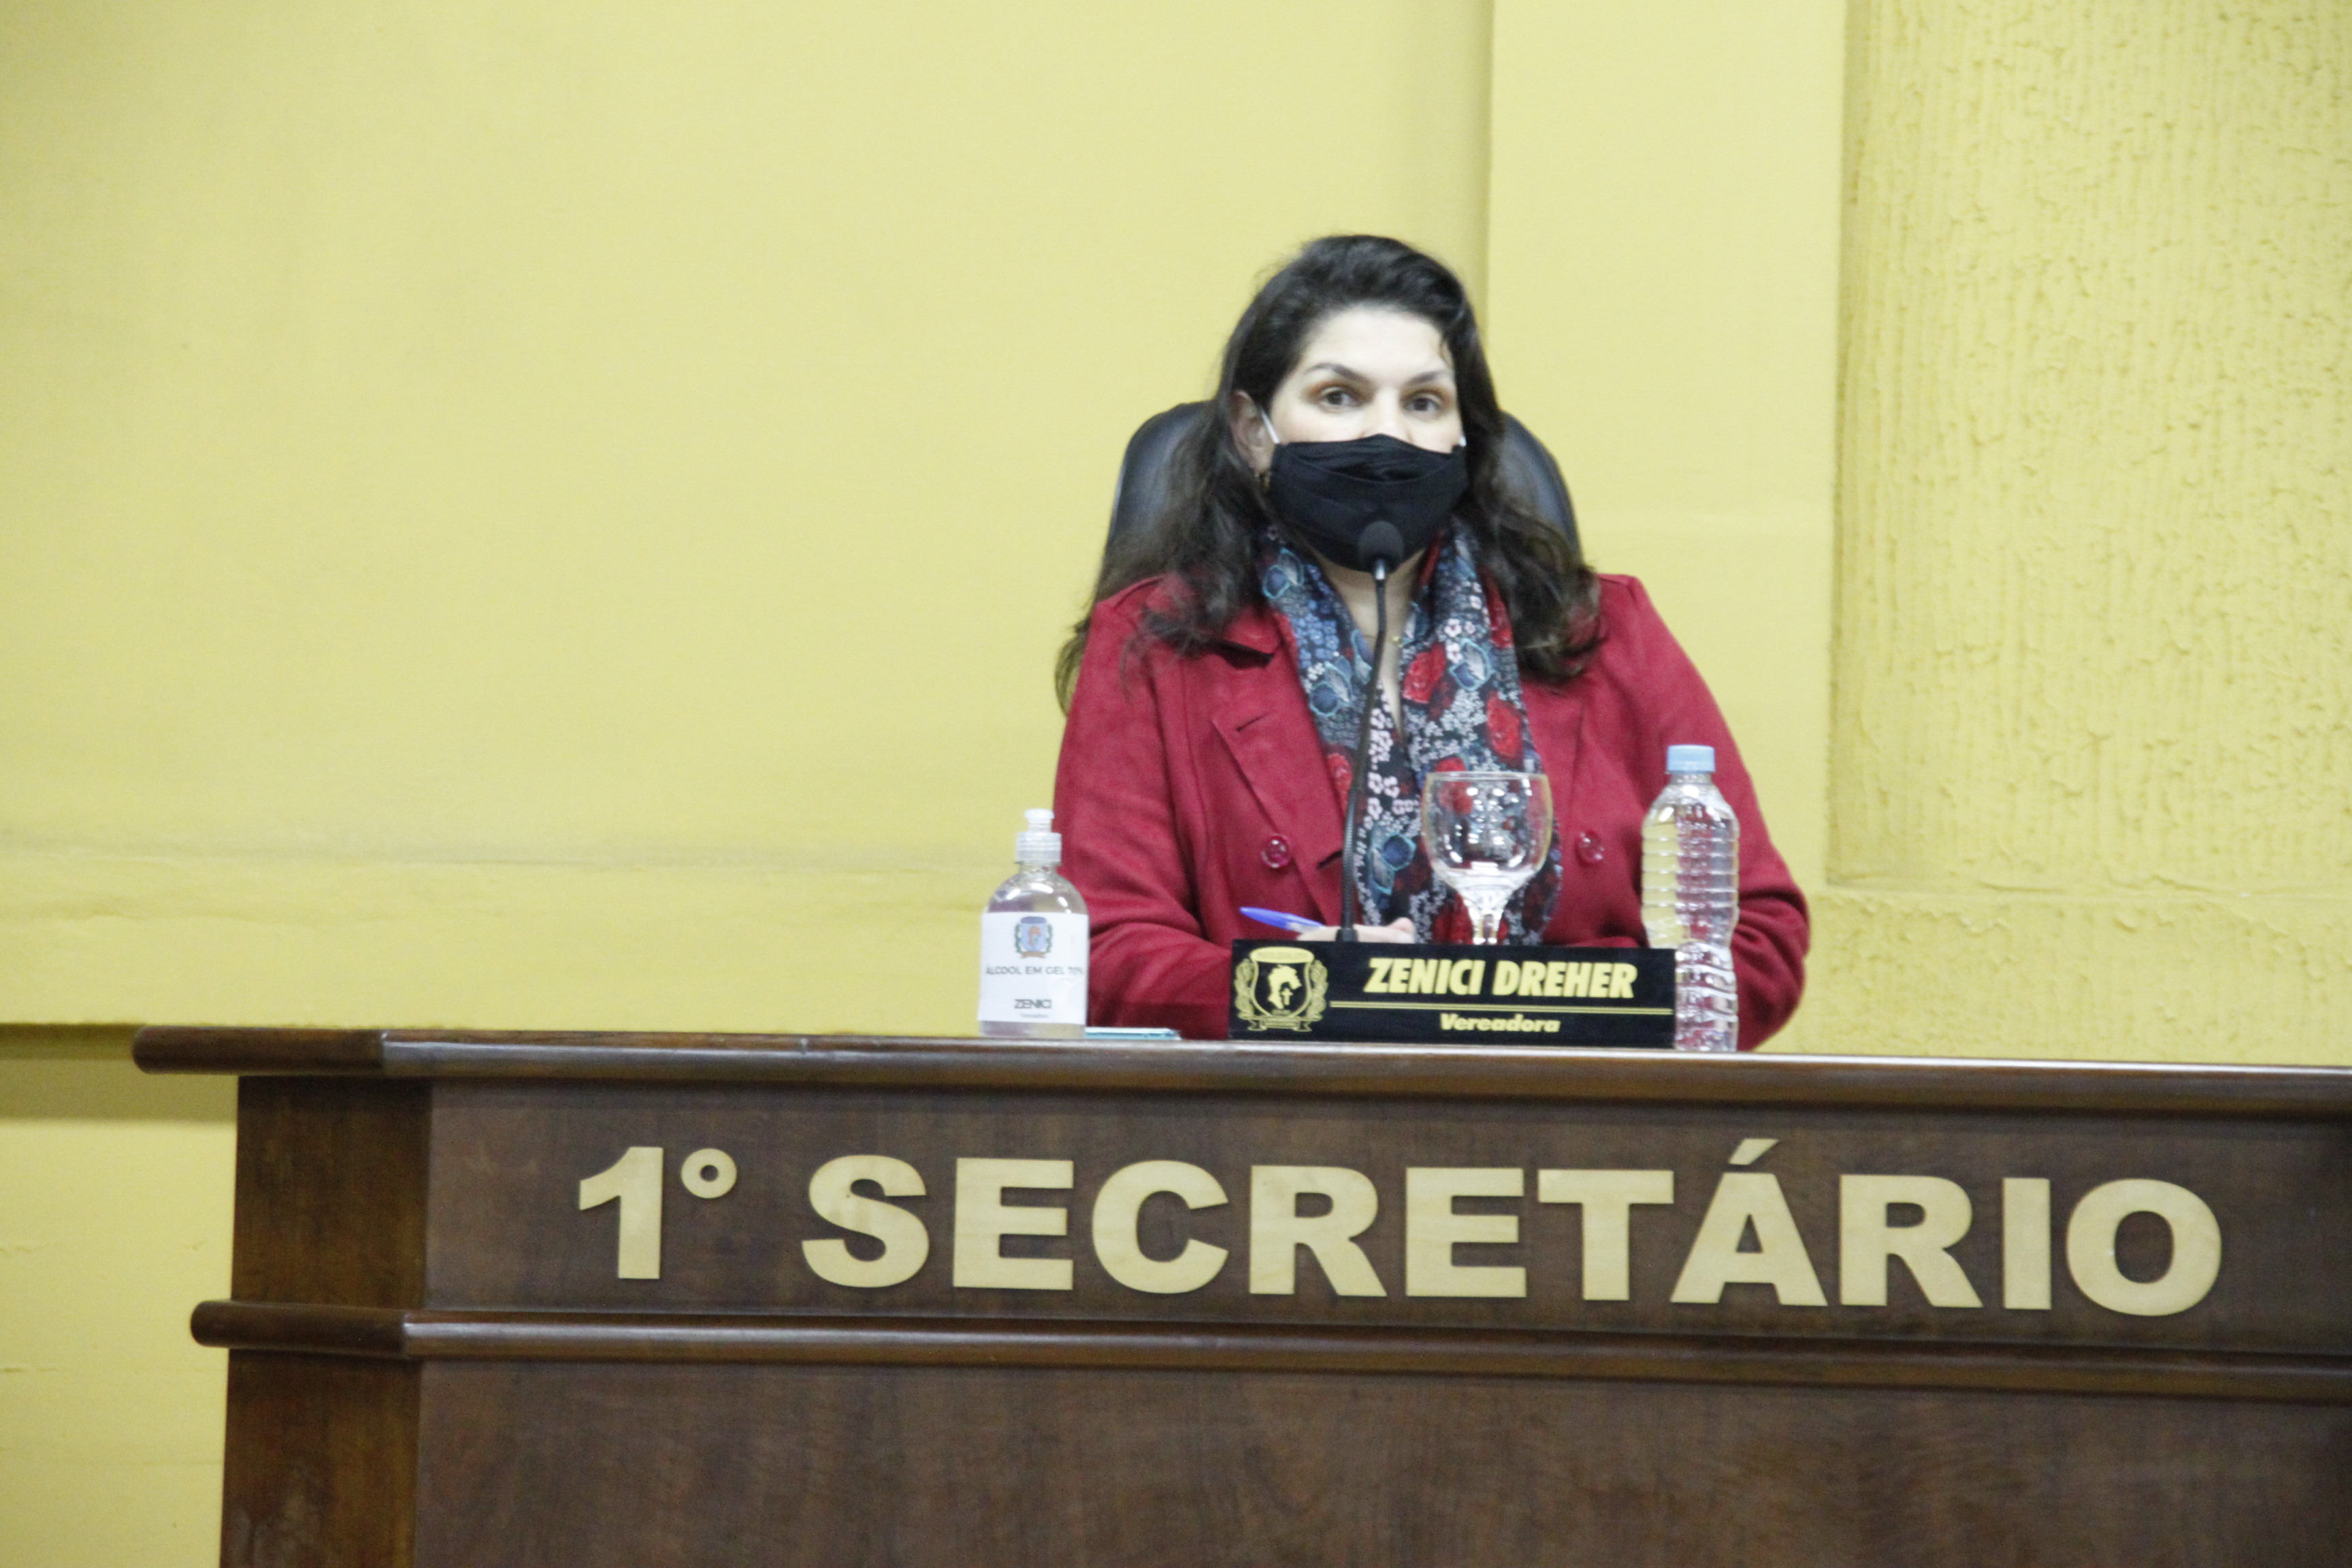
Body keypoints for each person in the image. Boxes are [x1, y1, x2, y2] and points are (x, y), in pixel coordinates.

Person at [1051, 235, 1807, 1044]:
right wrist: (1323, 991)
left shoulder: (1600, 629)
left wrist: (1539, 1002)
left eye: (1423, 403)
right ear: (1253, 430)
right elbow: (1104, 950)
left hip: (1578, 1128)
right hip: (1285, 1134)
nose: (1390, 436)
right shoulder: (1159, 645)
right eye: (1339, 396)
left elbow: (1758, 941)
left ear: (1463, 437)